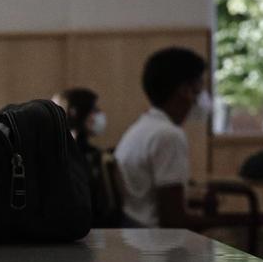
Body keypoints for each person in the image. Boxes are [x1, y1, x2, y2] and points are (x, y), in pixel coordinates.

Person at [113, 47, 211, 229]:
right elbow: (173, 221)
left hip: (135, 233)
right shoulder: (168, 136)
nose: (204, 96)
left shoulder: (142, 128)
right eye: (199, 86)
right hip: (157, 245)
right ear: (185, 90)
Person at [56, 88, 119, 227]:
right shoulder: (91, 158)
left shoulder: (60, 151)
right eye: (95, 110)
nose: (99, 116)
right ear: (77, 113)